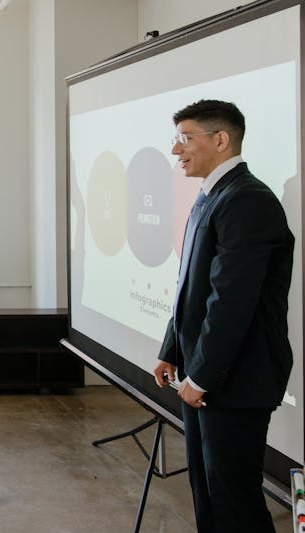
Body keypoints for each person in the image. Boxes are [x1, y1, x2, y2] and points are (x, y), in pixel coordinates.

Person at [153, 99, 294, 533]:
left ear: (221, 139)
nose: (176, 150)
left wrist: (203, 376)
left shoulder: (247, 200)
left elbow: (230, 301)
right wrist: (172, 349)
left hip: (237, 379)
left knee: (235, 500)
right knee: (209, 492)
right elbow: (191, 288)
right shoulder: (212, 195)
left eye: (185, 138)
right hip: (207, 375)